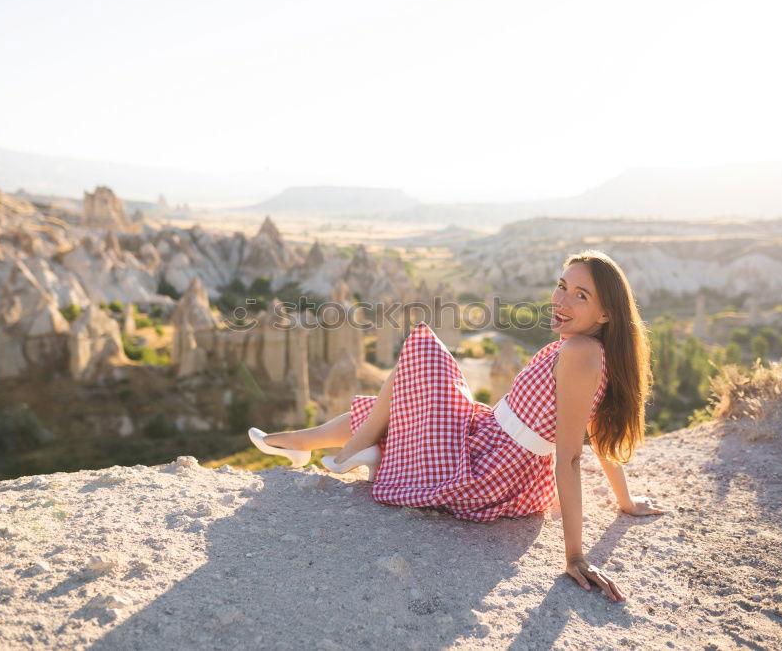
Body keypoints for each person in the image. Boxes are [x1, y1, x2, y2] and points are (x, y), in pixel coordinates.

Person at [248, 249, 667, 602]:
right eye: (561, 286)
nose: (562, 300)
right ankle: (302, 443)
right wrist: (624, 500)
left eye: (580, 295)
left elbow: (572, 455)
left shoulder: (580, 352)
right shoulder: (588, 348)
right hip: (490, 440)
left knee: (424, 355)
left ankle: (347, 450)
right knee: (406, 394)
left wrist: (574, 556)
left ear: (606, 312)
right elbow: (598, 429)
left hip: (488, 465)